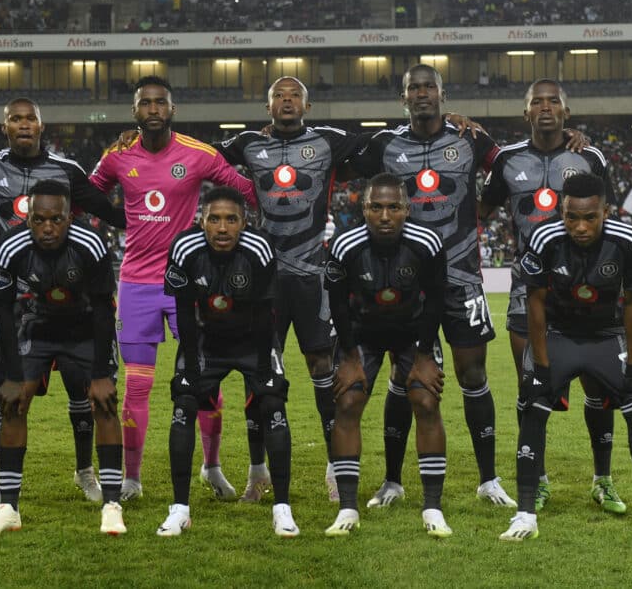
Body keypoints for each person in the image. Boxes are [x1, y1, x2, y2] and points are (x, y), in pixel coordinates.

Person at [214, 76, 484, 502]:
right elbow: (199, 157)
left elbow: (383, 140)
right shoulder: (249, 143)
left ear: (307, 104)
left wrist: (443, 117)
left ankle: (332, 468)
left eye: (295, 95)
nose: (287, 101)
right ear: (268, 106)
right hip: (265, 280)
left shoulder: (329, 140)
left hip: (312, 278)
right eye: (279, 96)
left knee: (325, 369)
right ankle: (257, 470)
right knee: (259, 371)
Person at [350, 64, 516, 508]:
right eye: (414, 88)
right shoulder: (386, 145)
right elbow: (338, 161)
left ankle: (488, 479)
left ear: (443, 95)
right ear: (403, 97)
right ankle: (392, 481)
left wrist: (485, 206)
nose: (422, 94)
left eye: (429, 87)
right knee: (403, 377)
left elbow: (510, 167)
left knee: (473, 374)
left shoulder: (469, 138)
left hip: (462, 279)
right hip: (408, 286)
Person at [89, 76, 258, 501]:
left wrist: (276, 175)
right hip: (136, 285)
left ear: (172, 108)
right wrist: (118, 219)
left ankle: (211, 467)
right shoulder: (118, 155)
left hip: (188, 283)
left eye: (160, 102)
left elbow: (244, 192)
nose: (153, 109)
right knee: (137, 386)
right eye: (145, 102)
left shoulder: (198, 154)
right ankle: (132, 478)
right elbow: (87, 194)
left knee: (206, 379)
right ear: (135, 110)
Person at [0, 97, 125, 507]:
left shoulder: (66, 170)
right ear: (5, 127)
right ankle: (6, 481)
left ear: (41, 126)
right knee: (6, 392)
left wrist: (141, 173)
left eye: (30, 118)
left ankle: (85, 471)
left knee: (81, 391)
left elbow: (108, 210)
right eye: (15, 118)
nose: (24, 124)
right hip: (14, 302)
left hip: (70, 301)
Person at [500, 172, 632, 545]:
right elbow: (535, 305)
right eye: (571, 217)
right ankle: (525, 514)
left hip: (608, 335)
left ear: (605, 212)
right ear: (561, 212)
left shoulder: (628, 240)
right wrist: (540, 368)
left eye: (590, 218)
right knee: (533, 404)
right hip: (559, 334)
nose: (580, 227)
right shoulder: (543, 238)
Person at [479, 79, 624, 514]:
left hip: (586, 289)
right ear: (526, 112)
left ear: (566, 111)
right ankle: (537, 481)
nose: (545, 107)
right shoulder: (507, 160)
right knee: (531, 388)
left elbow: (609, 218)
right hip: (529, 288)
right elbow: (479, 212)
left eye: (553, 101)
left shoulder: (589, 156)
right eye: (536, 102)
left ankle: (602, 480)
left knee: (599, 386)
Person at [0, 180, 126, 535]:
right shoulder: (10, 246)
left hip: (85, 328)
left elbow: (104, 309)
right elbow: (4, 311)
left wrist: (100, 375)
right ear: (28, 219)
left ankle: (112, 505)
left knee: (104, 403)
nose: (47, 227)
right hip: (37, 326)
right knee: (13, 403)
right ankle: (9, 508)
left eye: (56, 219)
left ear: (69, 218)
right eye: (39, 219)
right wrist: (12, 376)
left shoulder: (91, 244)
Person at [157, 187, 297, 537]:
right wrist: (191, 366)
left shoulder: (259, 248)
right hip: (207, 340)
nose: (222, 228)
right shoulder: (184, 247)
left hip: (253, 339)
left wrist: (263, 371)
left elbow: (265, 313)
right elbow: (184, 312)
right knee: (184, 401)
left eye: (231, 219)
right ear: (202, 221)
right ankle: (179, 510)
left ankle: (282, 509)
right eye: (214, 219)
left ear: (244, 222)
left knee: (273, 402)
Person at [323, 174, 451, 538]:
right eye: (376, 207)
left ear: (406, 210)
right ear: (363, 209)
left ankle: (432, 507)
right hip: (362, 333)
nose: (384, 216)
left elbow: (436, 301)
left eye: (393, 207)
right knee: (347, 401)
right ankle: (348, 509)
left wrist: (424, 357)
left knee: (426, 400)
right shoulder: (344, 245)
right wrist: (350, 358)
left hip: (413, 333)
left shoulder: (427, 242)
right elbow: (337, 305)